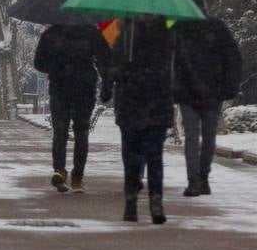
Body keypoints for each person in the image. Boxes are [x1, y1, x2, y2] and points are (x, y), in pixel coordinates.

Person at [173, 0, 243, 197]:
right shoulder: (217, 27)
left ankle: (194, 180)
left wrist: (176, 87)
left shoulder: (179, 28)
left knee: (192, 137)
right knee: (208, 136)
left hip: (189, 92)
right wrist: (229, 86)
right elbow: (233, 58)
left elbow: (172, 61)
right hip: (213, 92)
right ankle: (202, 177)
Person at [110, 16, 175, 224]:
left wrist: (123, 72)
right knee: (151, 155)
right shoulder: (167, 31)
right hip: (154, 103)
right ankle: (152, 200)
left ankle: (135, 199)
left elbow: (113, 67)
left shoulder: (125, 34)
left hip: (135, 104)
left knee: (134, 156)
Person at [34, 23, 110, 194]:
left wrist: (106, 83)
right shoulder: (88, 33)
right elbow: (39, 62)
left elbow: (104, 60)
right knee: (75, 134)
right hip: (72, 88)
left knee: (67, 133)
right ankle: (68, 174)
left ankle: (69, 173)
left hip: (75, 89)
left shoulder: (54, 34)